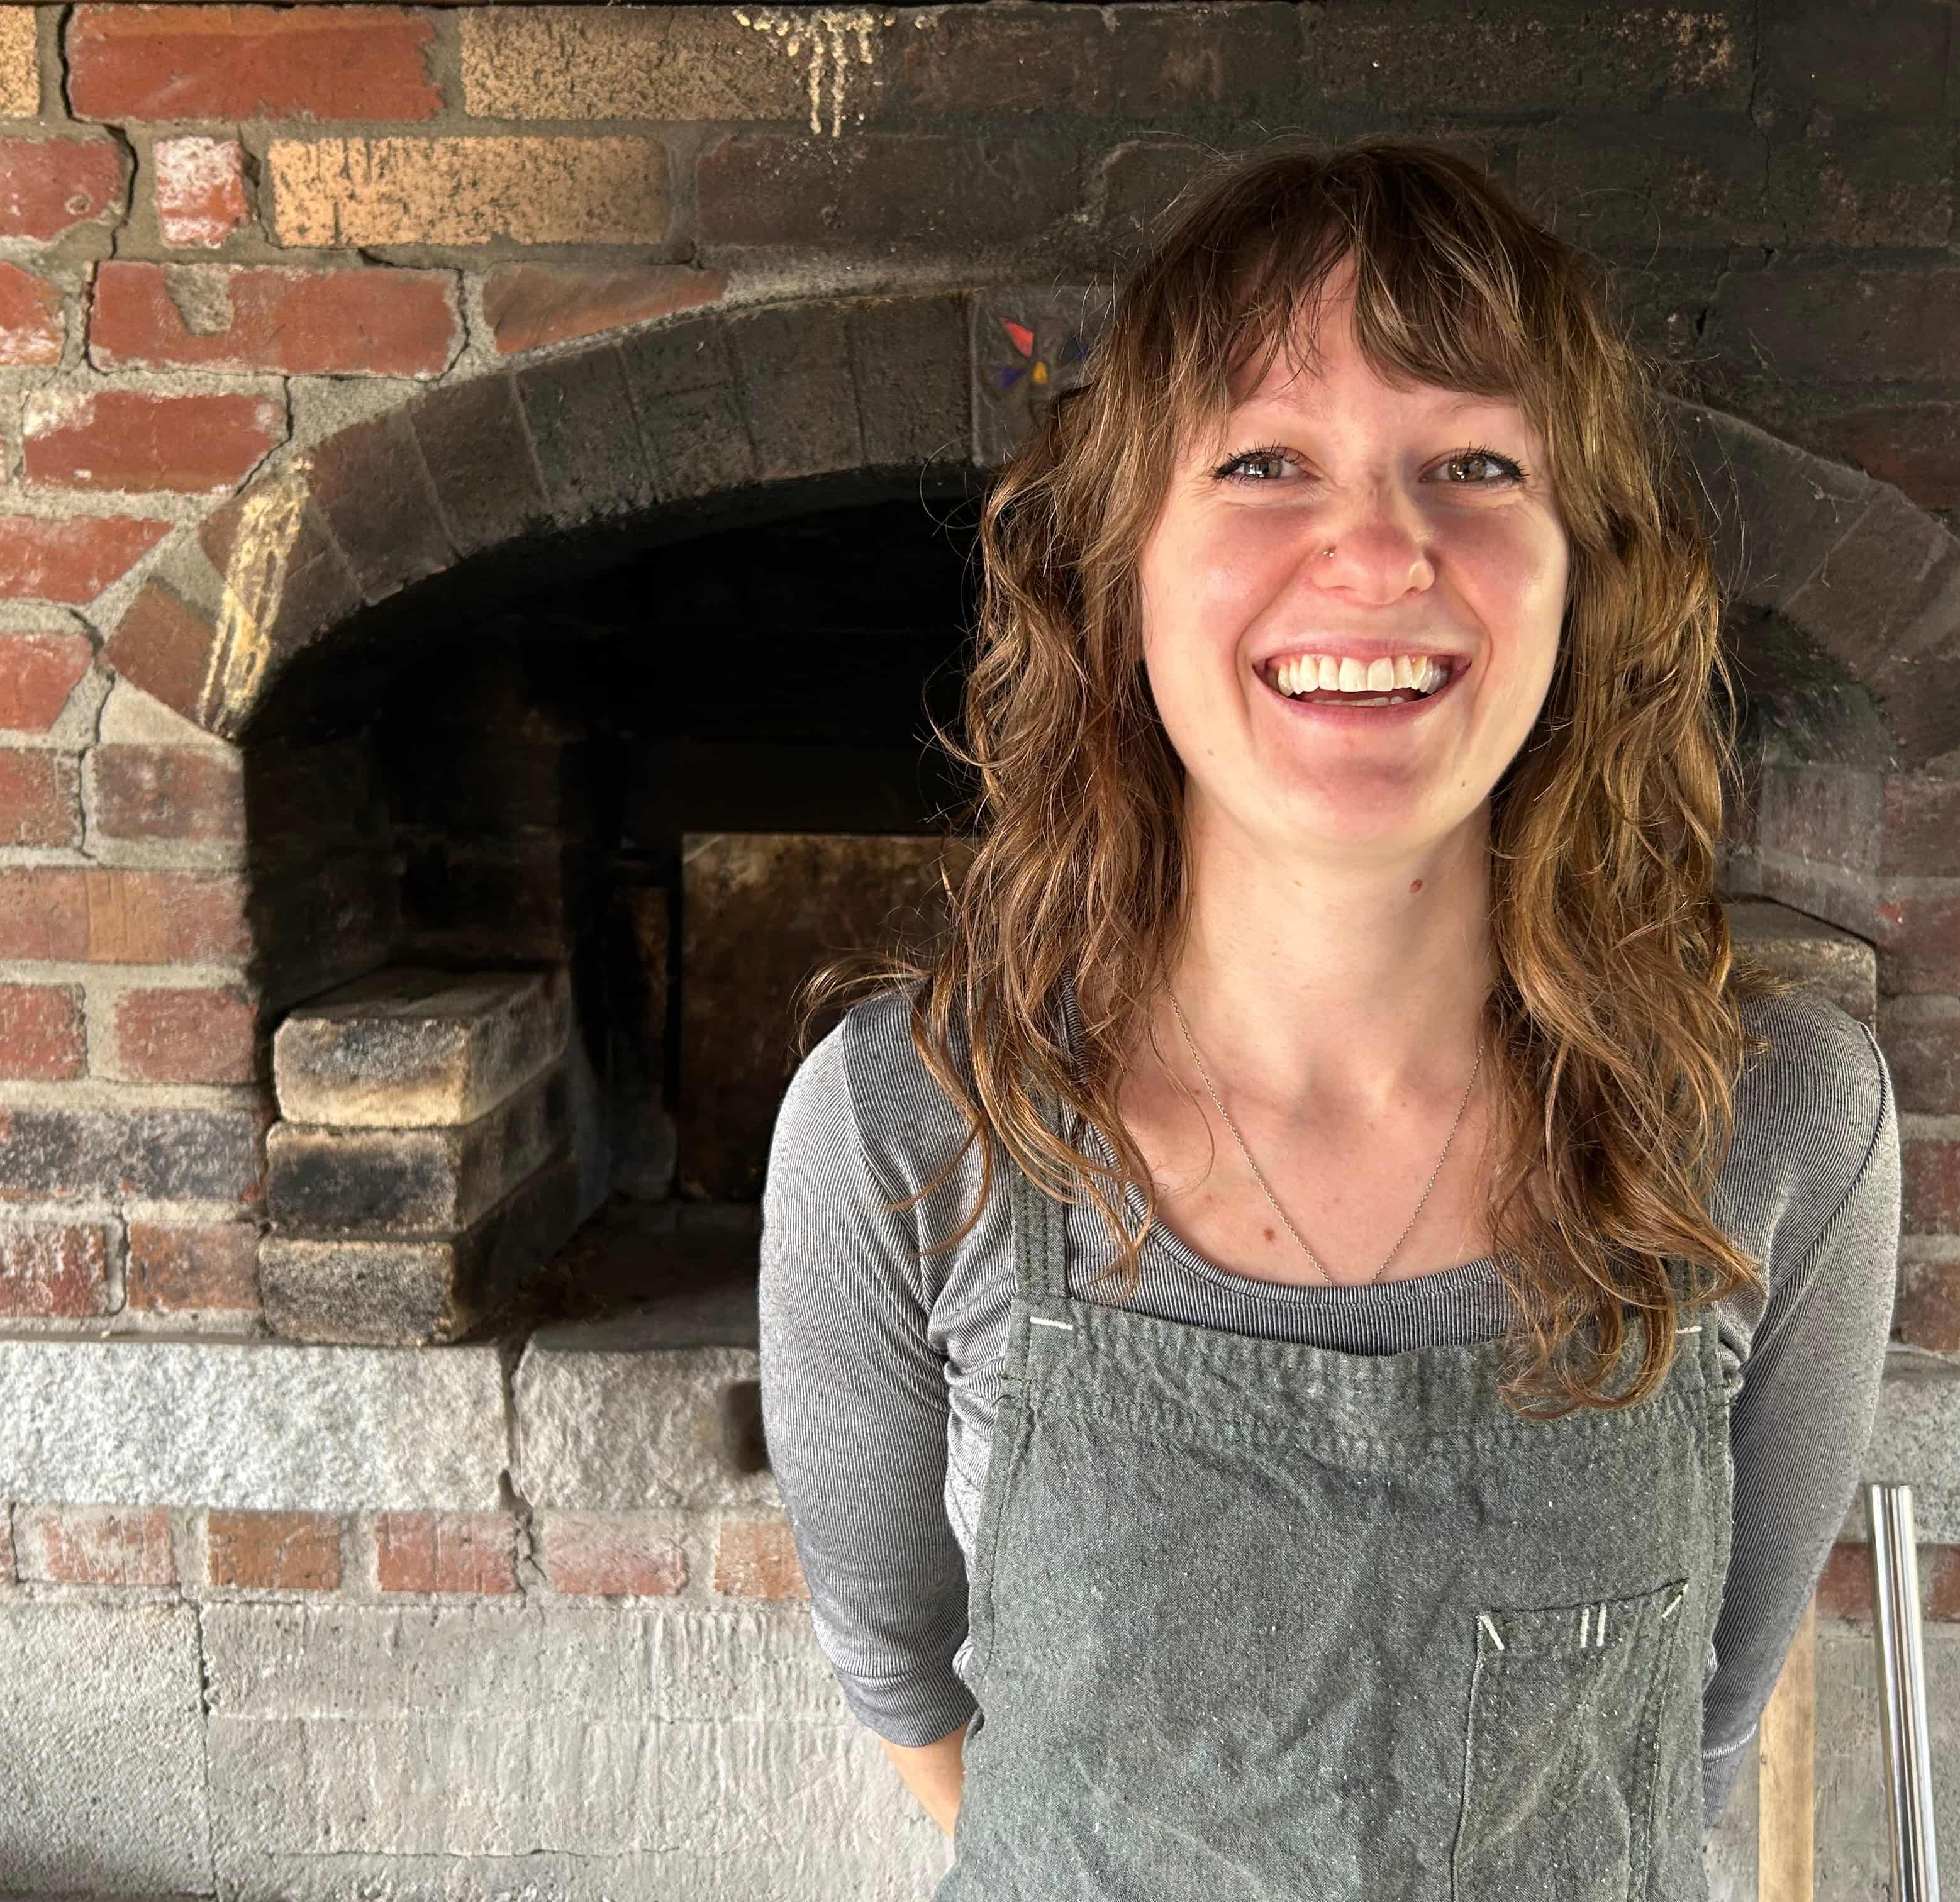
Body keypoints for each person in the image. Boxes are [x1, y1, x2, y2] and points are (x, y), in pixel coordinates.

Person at [757, 138, 1900, 1898]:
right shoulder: (912, 1129)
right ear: (1124, 566)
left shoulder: (1784, 1126)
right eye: (1267, 461)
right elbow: (900, 1666)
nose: (1378, 550)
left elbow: (1704, 1718)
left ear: (1585, 573)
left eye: (1474, 465)